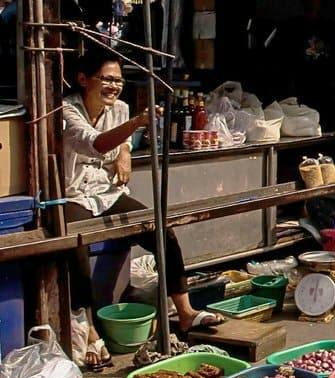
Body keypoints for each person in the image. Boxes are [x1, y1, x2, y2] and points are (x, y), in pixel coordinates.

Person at [61, 48, 220, 331]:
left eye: (118, 81)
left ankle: (185, 311)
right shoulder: (67, 110)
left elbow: (122, 142)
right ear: (84, 79)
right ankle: (87, 331)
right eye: (106, 79)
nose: (113, 86)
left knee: (162, 230)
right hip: (72, 194)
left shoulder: (119, 109)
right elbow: (94, 144)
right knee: (76, 246)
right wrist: (134, 125)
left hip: (106, 193)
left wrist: (124, 150)